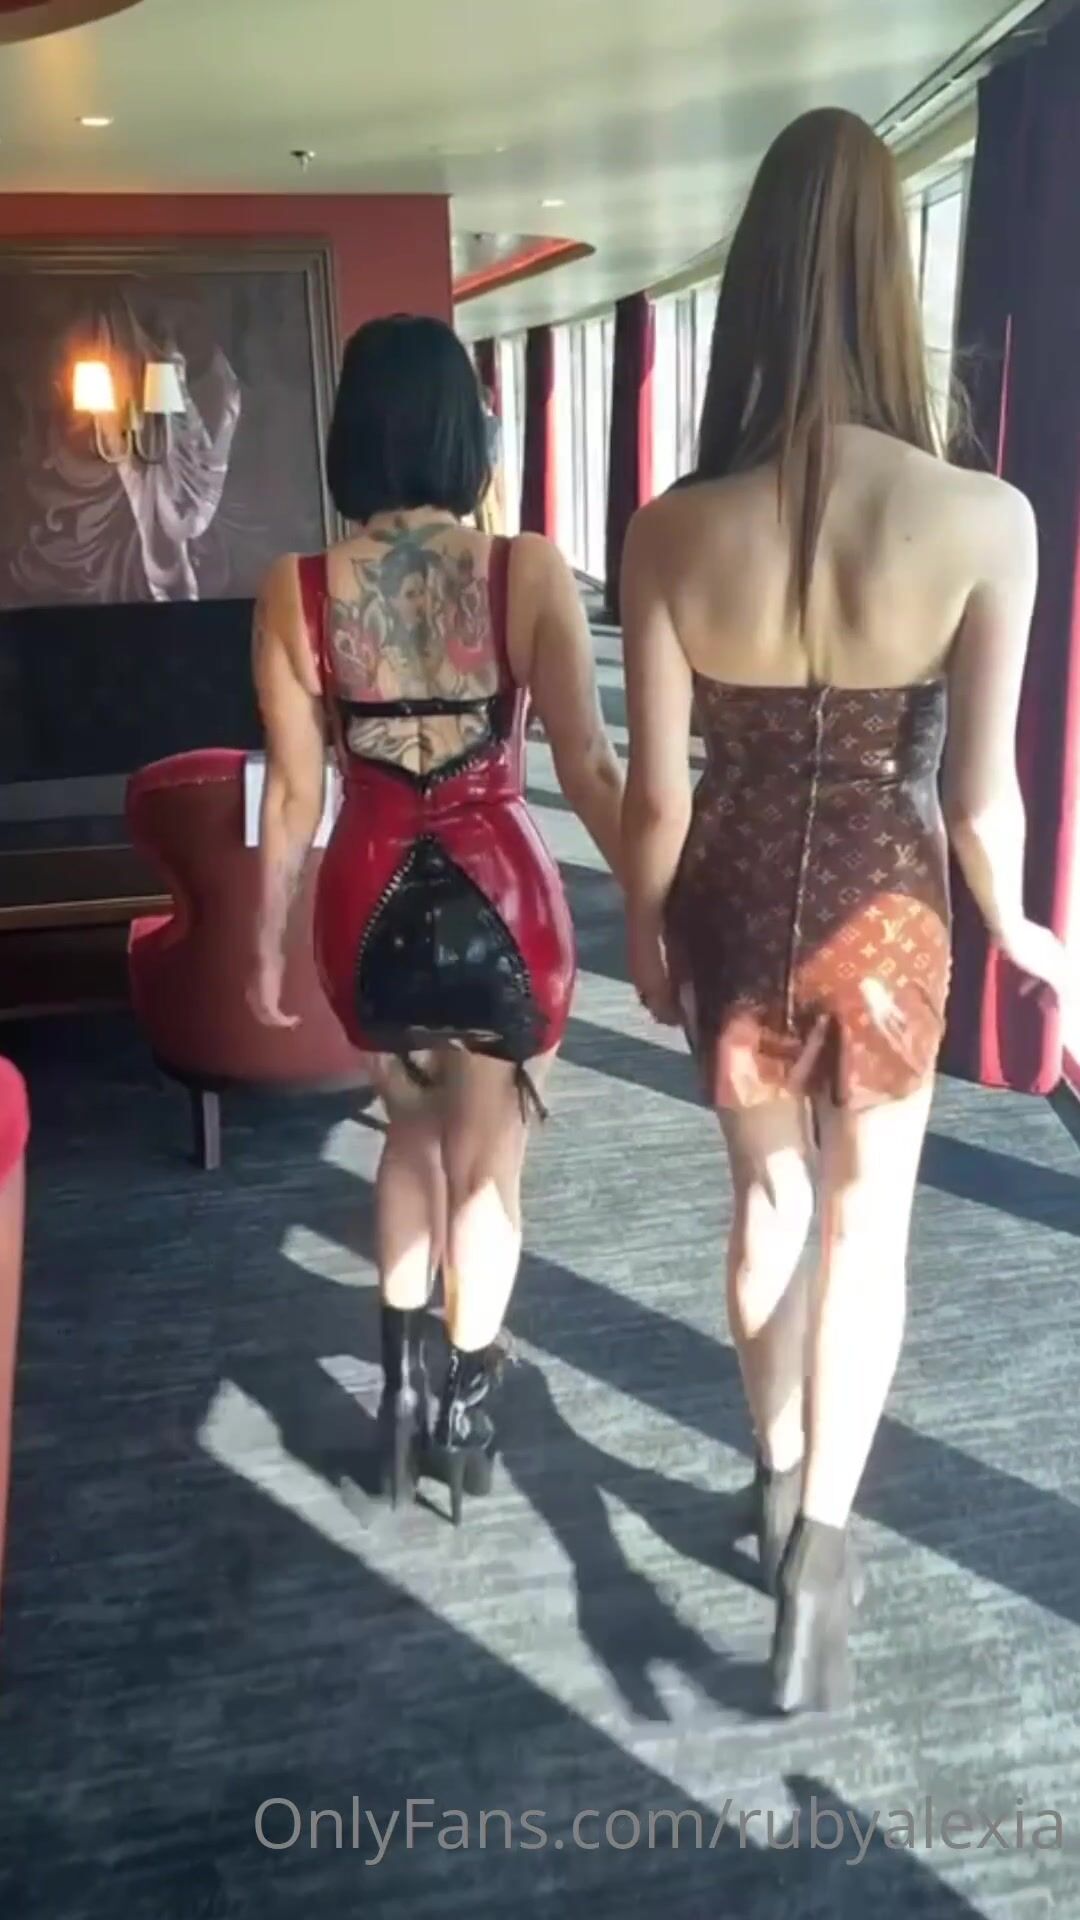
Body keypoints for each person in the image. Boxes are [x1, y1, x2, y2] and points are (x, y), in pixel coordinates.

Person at [621, 108, 1068, 1712]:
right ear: (897, 278)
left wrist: (646, 928)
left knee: (767, 1208)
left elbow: (660, 797)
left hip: (734, 901)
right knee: (870, 1226)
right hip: (891, 916)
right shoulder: (987, 519)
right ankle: (819, 1551)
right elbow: (983, 801)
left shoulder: (672, 528)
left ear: (749, 281)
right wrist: (1025, 929)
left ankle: (771, 1470)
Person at [250, 315, 623, 1524]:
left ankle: (400, 1400)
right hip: (504, 900)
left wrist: (263, 943)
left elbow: (293, 794)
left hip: (365, 902)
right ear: (466, 432)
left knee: (406, 1139)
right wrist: (655, 898)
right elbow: (591, 766)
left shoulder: (297, 590)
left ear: (350, 434)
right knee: (488, 1159)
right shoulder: (526, 570)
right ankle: (463, 1413)